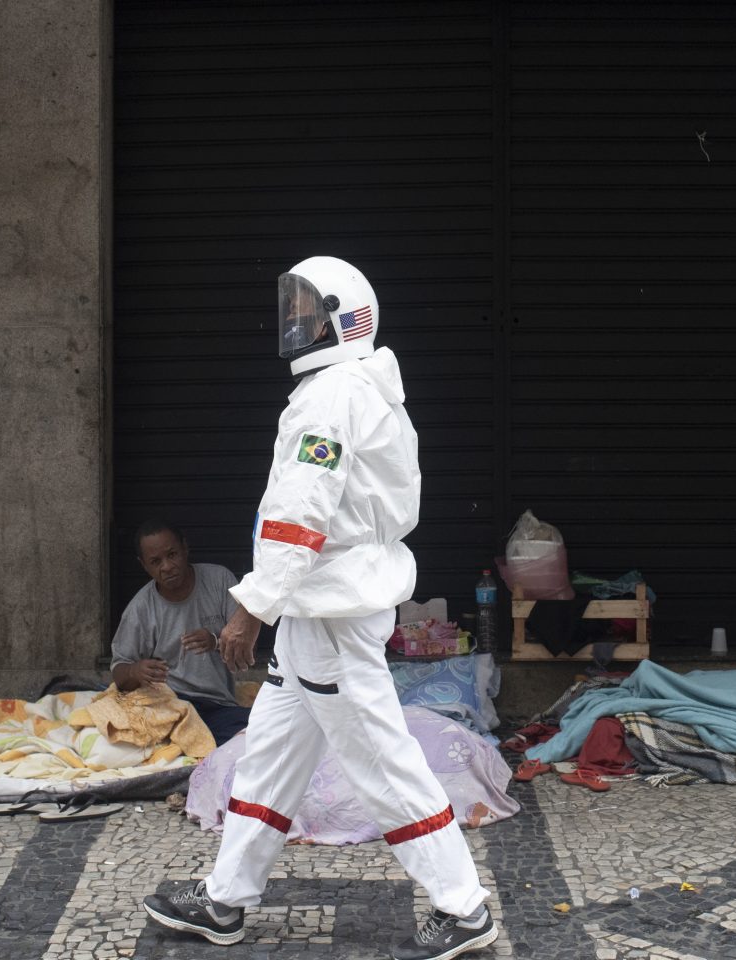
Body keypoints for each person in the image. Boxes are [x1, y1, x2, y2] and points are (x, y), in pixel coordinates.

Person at [142, 257, 497, 960]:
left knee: (381, 759)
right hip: (321, 609)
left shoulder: (331, 396)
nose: (294, 321)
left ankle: (464, 907)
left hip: (329, 613)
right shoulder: (359, 389)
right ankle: (225, 900)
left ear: (344, 317)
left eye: (308, 310)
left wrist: (252, 607)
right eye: (293, 308)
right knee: (271, 757)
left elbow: (300, 514)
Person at [110, 520, 250, 746]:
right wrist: (136, 671)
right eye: (155, 562)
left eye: (172, 554)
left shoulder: (219, 580)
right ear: (143, 565)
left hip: (216, 706)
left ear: (185, 548)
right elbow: (118, 672)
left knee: (260, 731)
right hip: (168, 706)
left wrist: (215, 641)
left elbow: (245, 647)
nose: (166, 567)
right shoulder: (140, 608)